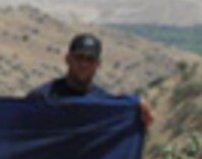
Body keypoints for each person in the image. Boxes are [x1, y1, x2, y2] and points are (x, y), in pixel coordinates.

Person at [26, 33, 154, 128]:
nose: (84, 64)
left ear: (98, 64)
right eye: (79, 57)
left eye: (90, 59)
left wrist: (136, 107)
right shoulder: (43, 97)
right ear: (68, 59)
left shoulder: (103, 103)